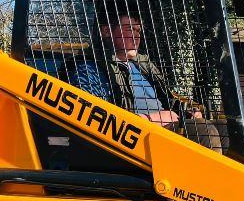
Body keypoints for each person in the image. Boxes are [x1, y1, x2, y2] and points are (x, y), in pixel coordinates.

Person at [67, 9, 222, 151]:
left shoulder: (143, 66)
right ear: (107, 31)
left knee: (224, 130)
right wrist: (152, 119)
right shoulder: (89, 69)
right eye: (129, 29)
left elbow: (168, 100)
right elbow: (90, 119)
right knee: (205, 133)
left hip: (165, 132)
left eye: (138, 30)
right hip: (135, 144)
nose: (136, 35)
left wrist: (187, 113)